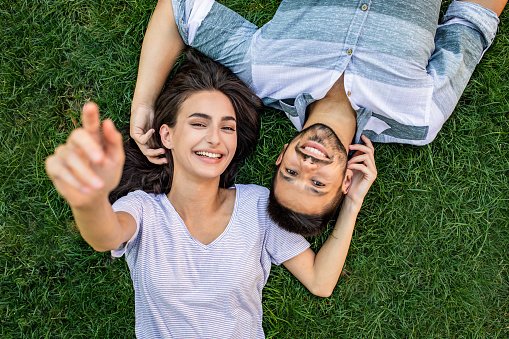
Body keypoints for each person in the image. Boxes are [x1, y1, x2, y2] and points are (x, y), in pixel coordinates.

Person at [45, 50, 377, 338]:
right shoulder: (143, 210)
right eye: (199, 124)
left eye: (227, 127)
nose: (215, 139)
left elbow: (320, 281)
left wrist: (353, 200)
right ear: (167, 136)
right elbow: (106, 235)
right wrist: (89, 201)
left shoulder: (257, 205)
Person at [129, 0, 506, 236]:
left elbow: (178, 9)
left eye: (291, 173)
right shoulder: (416, 115)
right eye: (317, 184)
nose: (307, 165)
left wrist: (143, 104)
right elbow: (474, 19)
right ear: (345, 182)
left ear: (280, 156)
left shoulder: (265, 74)